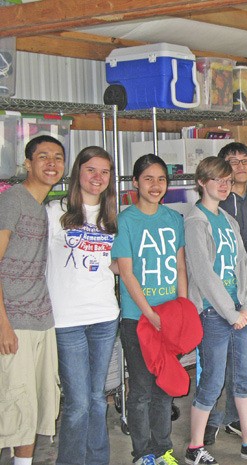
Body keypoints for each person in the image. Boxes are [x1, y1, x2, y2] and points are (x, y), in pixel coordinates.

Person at [184, 157, 247, 465]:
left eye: (227, 181)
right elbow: (202, 273)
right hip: (214, 314)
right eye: (217, 180)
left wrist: (246, 306)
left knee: (245, 378)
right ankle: (194, 447)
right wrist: (229, 312)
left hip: (239, 312)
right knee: (211, 380)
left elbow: (242, 267)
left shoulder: (228, 219)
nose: (224, 185)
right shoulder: (195, 221)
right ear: (201, 182)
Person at [112, 154, 188, 465]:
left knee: (164, 388)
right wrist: (151, 314)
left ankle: (163, 448)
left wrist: (181, 312)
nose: (155, 185)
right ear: (135, 183)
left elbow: (181, 268)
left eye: (160, 179)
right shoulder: (125, 220)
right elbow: (126, 273)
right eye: (148, 179)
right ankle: (142, 453)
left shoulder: (174, 219)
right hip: (138, 319)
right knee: (141, 389)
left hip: (169, 318)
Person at [46, 146, 119, 465]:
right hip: (67, 320)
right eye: (91, 169)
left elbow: (116, 264)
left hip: (104, 316)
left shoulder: (114, 215)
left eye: (104, 172)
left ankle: (98, 459)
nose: (98, 177)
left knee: (97, 399)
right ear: (78, 173)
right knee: (77, 402)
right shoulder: (53, 211)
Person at [0, 135, 65, 465]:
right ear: (28, 164)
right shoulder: (13, 201)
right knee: (14, 404)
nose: (51, 163)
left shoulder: (43, 208)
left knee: (36, 406)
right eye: (43, 157)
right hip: (15, 320)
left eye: (57, 157)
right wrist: (3, 325)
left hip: (42, 318)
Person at [204, 142, 247, 445]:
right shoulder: (218, 200)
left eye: (246, 161)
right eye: (234, 161)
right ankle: (212, 419)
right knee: (217, 361)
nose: (242, 166)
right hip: (219, 291)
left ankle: (234, 417)